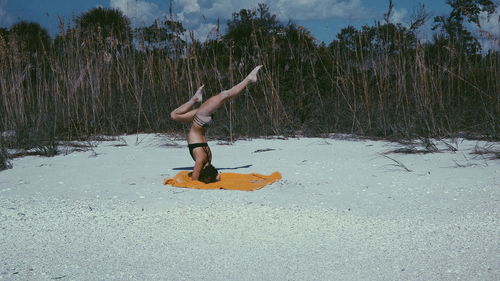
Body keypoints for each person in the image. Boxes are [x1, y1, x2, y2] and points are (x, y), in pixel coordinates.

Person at [170, 65, 263, 183]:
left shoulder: (204, 159)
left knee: (175, 115)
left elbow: (194, 179)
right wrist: (210, 178)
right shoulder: (203, 158)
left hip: (201, 122)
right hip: (200, 120)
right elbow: (197, 175)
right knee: (224, 95)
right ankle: (249, 79)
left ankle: (195, 99)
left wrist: (199, 178)